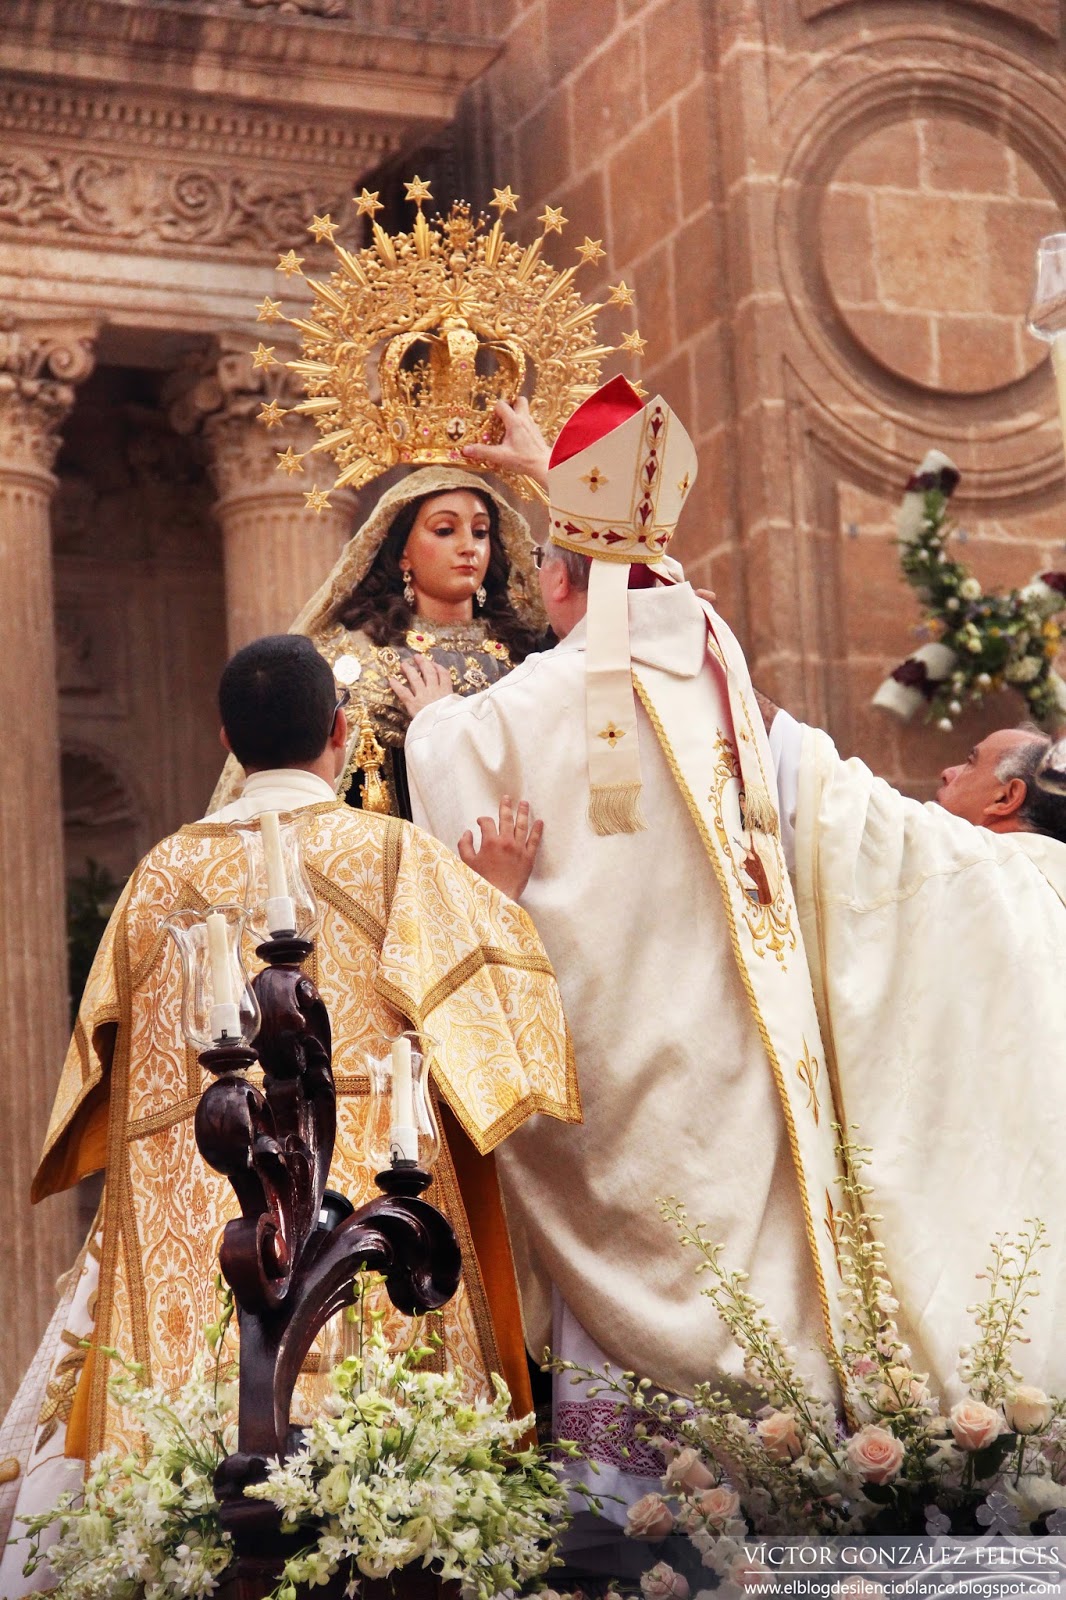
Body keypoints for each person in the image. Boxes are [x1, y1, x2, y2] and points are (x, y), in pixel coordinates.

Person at [0, 633, 575, 1591]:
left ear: (228, 739)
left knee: (189, 1504)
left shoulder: (155, 879)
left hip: (201, 1226)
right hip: (370, 1211)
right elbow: (509, 1052)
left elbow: (100, 1073)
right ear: (343, 733)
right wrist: (499, 899)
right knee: (398, 1510)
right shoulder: (396, 857)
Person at [404, 380, 845, 1518]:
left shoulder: (544, 696)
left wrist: (429, 711)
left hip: (625, 1058)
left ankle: (625, 1511)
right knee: (739, 1256)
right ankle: (781, 1473)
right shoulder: (711, 658)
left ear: (558, 583)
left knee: (629, 1283)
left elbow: (454, 765)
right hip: (731, 1057)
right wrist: (556, 481)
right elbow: (644, 575)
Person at [766, 704, 1066, 1406]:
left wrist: (719, 672)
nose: (946, 770)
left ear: (1007, 797)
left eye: (970, 760)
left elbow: (845, 810)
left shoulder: (985, 870)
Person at [209, 467, 546, 820]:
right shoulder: (356, 656)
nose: (468, 547)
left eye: (480, 532)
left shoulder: (526, 654)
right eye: (445, 530)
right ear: (403, 553)